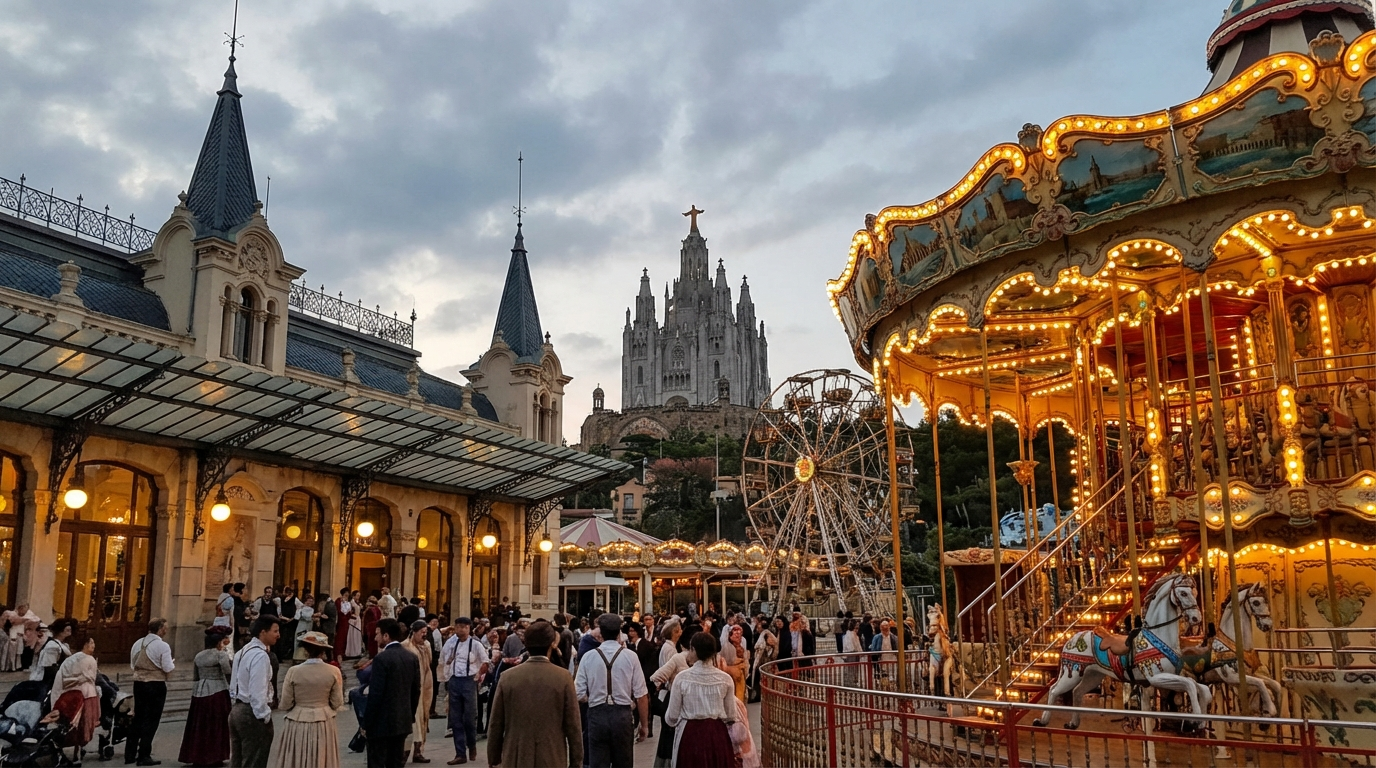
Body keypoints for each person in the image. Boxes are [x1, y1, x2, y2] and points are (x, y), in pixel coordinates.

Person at [487, 620, 582, 768]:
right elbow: (573, 725)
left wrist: (493, 757)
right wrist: (576, 761)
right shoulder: (563, 677)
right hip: (552, 755)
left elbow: (496, 723)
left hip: (516, 755)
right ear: (552, 644)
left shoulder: (508, 677)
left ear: (525, 643)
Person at [574, 613, 648, 768]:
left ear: (600, 632)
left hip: (597, 715)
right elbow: (641, 695)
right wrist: (644, 724)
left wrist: (593, 698)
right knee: (624, 762)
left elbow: (578, 693)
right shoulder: (631, 657)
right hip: (622, 715)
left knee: (598, 763)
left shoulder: (588, 657)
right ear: (619, 632)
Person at [664, 631, 737, 768]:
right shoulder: (725, 679)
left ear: (694, 650)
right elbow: (731, 715)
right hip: (717, 735)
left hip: (690, 736)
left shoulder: (682, 678)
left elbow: (672, 717)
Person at [271, 631, 344, 768]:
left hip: (298, 720)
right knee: (322, 758)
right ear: (323, 652)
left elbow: (285, 703)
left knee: (298, 757)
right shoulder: (333, 671)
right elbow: (337, 702)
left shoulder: (294, 671)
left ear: (304, 651)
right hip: (323, 721)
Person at [364, 618, 422, 768]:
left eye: (377, 634)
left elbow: (375, 694)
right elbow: (415, 690)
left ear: (386, 636)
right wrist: (410, 714)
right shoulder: (411, 657)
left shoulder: (381, 659)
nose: (375, 638)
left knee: (377, 761)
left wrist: (366, 723)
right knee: (395, 761)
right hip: (402, 720)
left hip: (381, 723)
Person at [179, 626, 233, 768]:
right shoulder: (220, 655)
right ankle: (215, 756)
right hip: (217, 690)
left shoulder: (198, 656)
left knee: (199, 725)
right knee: (216, 724)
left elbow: (195, 676)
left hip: (200, 691)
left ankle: (197, 755)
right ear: (218, 642)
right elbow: (227, 671)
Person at [229, 616, 280, 768]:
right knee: (254, 761)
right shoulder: (260, 655)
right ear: (263, 632)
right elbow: (258, 689)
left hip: (237, 710)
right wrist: (264, 715)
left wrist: (234, 704)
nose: (278, 635)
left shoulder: (242, 651)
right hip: (251, 712)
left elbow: (234, 684)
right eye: (275, 631)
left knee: (237, 761)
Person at [440, 617, 487, 765]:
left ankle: (471, 744)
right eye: (458, 626)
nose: (460, 630)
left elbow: (485, 661)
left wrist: (478, 675)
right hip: (454, 680)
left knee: (469, 718)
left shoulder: (475, 644)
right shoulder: (451, 643)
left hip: (469, 681)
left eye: (464, 627)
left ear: (469, 628)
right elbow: (442, 660)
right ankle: (460, 753)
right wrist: (447, 674)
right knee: (456, 719)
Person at [128, 618, 175, 766]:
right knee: (152, 720)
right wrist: (172, 665)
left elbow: (132, 664)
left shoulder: (138, 643)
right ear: (160, 629)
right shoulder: (162, 645)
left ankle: (129, 754)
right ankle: (144, 755)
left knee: (138, 718)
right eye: (165, 628)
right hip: (155, 684)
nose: (166, 630)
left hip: (138, 683)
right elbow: (167, 667)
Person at [51, 635, 99, 756]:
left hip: (69, 696)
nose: (93, 646)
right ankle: (77, 750)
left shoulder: (69, 660)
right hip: (87, 695)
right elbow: (92, 678)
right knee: (85, 726)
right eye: (92, 642)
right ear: (85, 644)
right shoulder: (90, 659)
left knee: (73, 725)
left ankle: (73, 752)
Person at [404, 619, 435, 763]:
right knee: (413, 721)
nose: (424, 635)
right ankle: (405, 752)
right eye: (422, 632)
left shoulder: (427, 645)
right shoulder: (406, 647)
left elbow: (429, 663)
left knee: (423, 720)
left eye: (426, 632)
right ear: (414, 632)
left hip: (425, 687)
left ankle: (418, 751)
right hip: (411, 689)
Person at [32, 619, 73, 686]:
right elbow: (49, 668)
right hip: (49, 682)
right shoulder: (52, 646)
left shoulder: (64, 645)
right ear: (60, 631)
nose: (69, 630)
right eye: (67, 629)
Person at [719, 624, 748, 702]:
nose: (737, 636)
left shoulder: (742, 645)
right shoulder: (726, 647)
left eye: (739, 634)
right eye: (735, 634)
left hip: (741, 677)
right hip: (730, 678)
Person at [276, 586, 299, 661]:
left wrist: (294, 617)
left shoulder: (295, 599)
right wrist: (282, 617)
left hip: (291, 623)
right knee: (282, 638)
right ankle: (281, 655)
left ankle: (288, 654)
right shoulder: (282, 600)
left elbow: (300, 607)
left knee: (289, 638)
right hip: (283, 621)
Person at [292, 594, 317, 660]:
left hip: (308, 627)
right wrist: (313, 616)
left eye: (312, 601)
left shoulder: (311, 609)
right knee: (299, 640)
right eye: (309, 601)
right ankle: (297, 657)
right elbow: (306, 617)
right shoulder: (302, 608)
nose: (310, 603)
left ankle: (305, 657)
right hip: (302, 627)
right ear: (306, 601)